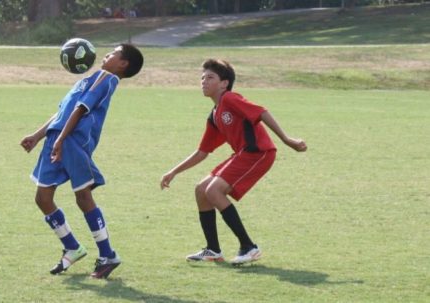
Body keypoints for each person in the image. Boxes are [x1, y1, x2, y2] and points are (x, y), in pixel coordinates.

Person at [160, 59, 307, 265]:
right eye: (202, 77)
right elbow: (203, 152)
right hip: (243, 154)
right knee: (201, 190)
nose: (203, 81)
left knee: (213, 191)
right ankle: (213, 250)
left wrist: (287, 139)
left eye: (210, 77)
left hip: (259, 153)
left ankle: (249, 247)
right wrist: (173, 172)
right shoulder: (214, 114)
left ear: (224, 83)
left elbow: (261, 111)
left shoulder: (230, 98)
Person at [21, 44, 144, 278]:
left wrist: (62, 140)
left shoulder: (106, 78)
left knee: (83, 196)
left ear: (123, 64)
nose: (106, 55)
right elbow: (63, 112)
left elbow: (80, 109)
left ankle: (108, 255)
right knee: (43, 198)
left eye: (113, 53)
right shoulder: (91, 78)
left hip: (73, 142)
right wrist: (38, 136)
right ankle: (72, 247)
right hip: (57, 139)